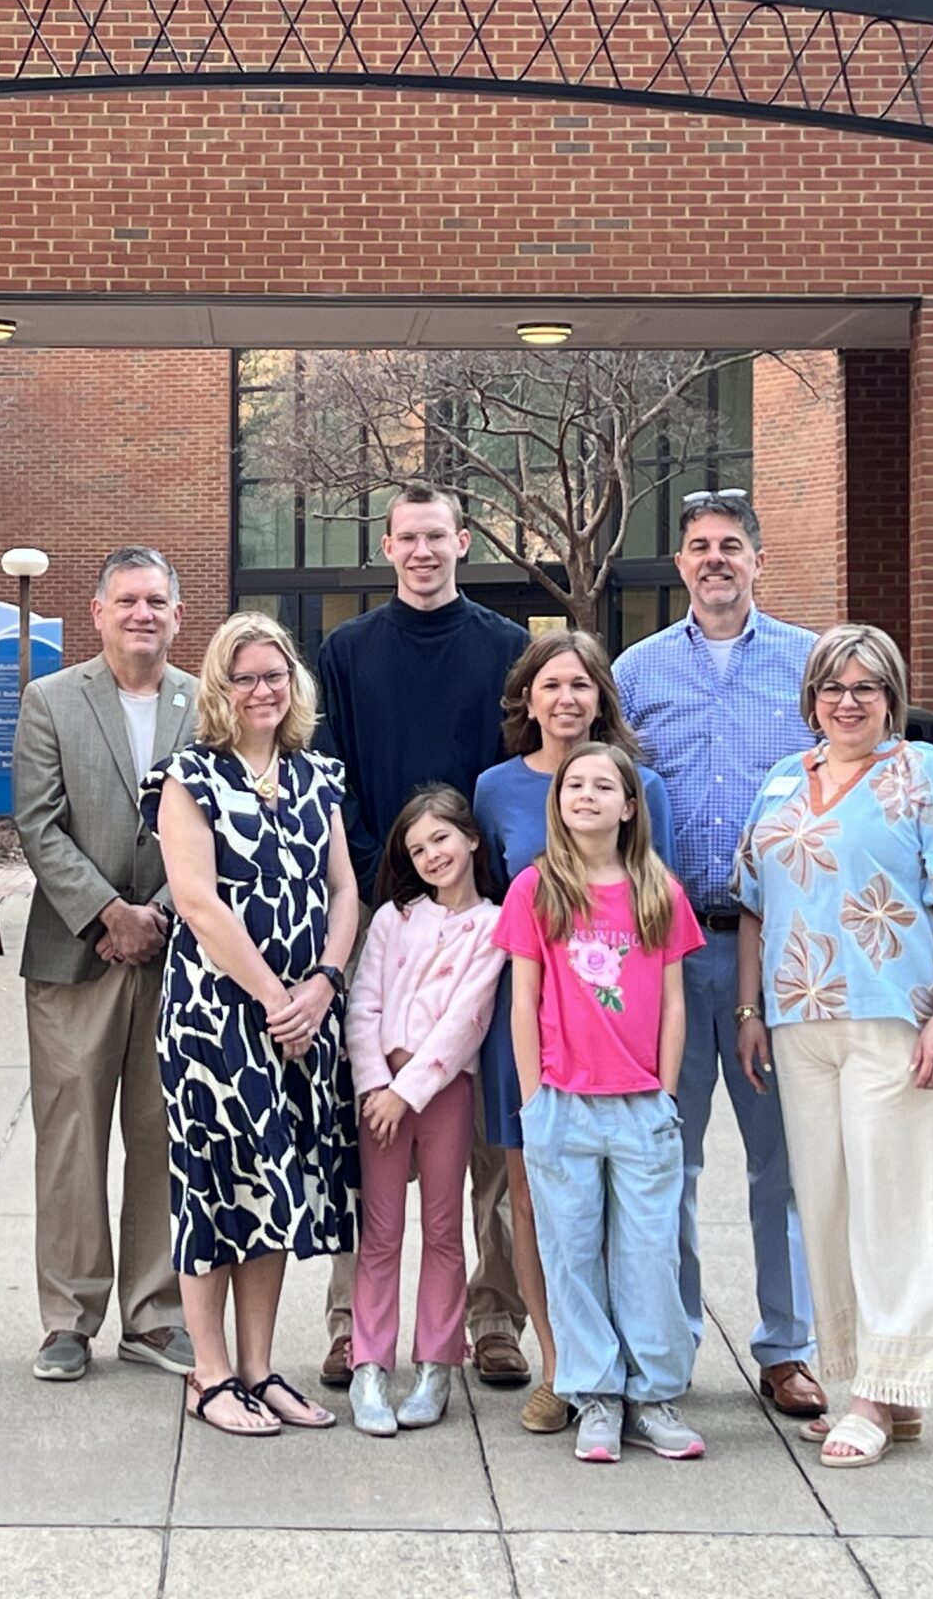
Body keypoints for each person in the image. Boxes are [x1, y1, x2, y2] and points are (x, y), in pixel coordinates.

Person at [732, 624, 933, 1469]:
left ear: (892, 698)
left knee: (896, 1205)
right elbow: (753, 905)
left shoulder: (928, 774)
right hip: (799, 1021)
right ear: (810, 698)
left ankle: (878, 1398)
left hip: (894, 1017)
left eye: (865, 688)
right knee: (828, 1205)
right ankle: (880, 1383)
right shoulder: (784, 778)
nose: (847, 702)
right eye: (832, 687)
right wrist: (749, 1009)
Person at [312, 478, 533, 1392]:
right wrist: (382, 881)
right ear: (388, 547)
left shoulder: (508, 649)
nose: (422, 551)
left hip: (484, 916)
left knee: (483, 1123)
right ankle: (348, 1324)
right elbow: (331, 777)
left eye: (437, 536)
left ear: (463, 542)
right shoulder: (347, 650)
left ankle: (494, 1316)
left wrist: (471, 885)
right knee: (369, 1118)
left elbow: (516, 774)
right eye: (407, 538)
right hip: (375, 910)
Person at [613, 488, 826, 1422]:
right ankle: (673, 1344)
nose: (714, 560)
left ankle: (788, 1348)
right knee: (671, 1158)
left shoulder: (810, 666)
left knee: (781, 1163)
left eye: (731, 545)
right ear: (681, 565)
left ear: (758, 560)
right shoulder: (637, 672)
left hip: (777, 951)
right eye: (699, 546)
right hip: (670, 950)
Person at [143, 611, 361, 1437]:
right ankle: (209, 1373)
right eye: (246, 678)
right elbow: (197, 902)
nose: (263, 690)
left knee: (273, 1184)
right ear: (219, 688)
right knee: (212, 1186)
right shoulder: (188, 777)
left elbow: (344, 889)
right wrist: (276, 997)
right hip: (216, 1018)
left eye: (276, 675)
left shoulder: (317, 775)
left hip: (305, 1014)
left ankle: (259, 1370)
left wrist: (325, 983)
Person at [472, 631, 674, 1436]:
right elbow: (496, 902)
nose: (566, 698)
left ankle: (631, 1374)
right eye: (551, 684)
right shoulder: (494, 789)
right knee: (532, 1198)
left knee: (628, 1213)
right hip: (530, 1026)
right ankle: (562, 1368)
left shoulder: (642, 786)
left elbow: (654, 908)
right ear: (527, 697)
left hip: (621, 1041)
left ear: (601, 699)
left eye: (581, 685)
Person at [11, 547, 198, 1384]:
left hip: (177, 957)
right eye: (126, 600)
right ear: (97, 613)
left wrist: (157, 913)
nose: (141, 614)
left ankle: (155, 1315)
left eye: (155, 600)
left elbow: (218, 823)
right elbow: (38, 822)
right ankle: (68, 1318)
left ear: (177, 615)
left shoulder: (206, 703)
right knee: (71, 1141)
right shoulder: (50, 699)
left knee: (163, 1139)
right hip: (74, 957)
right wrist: (108, 914)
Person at [495, 741, 706, 1465]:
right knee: (572, 1254)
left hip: (641, 1105)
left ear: (629, 806)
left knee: (649, 1255)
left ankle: (653, 1394)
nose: (586, 795)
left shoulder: (658, 891)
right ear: (557, 804)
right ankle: (596, 1396)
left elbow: (673, 1003)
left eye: (603, 786)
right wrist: (534, 1099)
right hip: (562, 1103)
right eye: (573, 785)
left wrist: (665, 1092)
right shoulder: (537, 890)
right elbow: (523, 1001)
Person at [344, 786, 506, 1437]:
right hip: (379, 1095)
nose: (432, 855)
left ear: (471, 838)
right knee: (380, 1233)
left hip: (443, 1092)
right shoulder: (393, 919)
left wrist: (408, 1090)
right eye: (417, 849)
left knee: (443, 1229)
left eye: (441, 838)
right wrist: (375, 1084)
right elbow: (364, 1004)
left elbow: (467, 1018)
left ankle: (436, 1362)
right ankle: (368, 1366)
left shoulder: (493, 925)